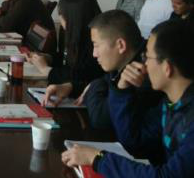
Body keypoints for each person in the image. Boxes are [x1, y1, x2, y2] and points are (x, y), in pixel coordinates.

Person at [61, 20, 194, 177]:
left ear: (167, 68)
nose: (143, 64)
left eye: (147, 57)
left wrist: (97, 158)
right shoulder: (171, 103)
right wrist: (122, 90)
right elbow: (134, 141)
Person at [82, 10, 161, 129]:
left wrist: (94, 84)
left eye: (96, 45)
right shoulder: (126, 60)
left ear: (121, 45)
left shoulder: (143, 74)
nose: (94, 54)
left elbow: (100, 118)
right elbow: (108, 79)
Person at [31, 0, 104, 104]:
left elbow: (81, 76)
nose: (60, 19)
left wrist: (47, 70)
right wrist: (49, 58)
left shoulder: (95, 44)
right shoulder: (71, 33)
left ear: (74, 17)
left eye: (61, 15)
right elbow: (65, 59)